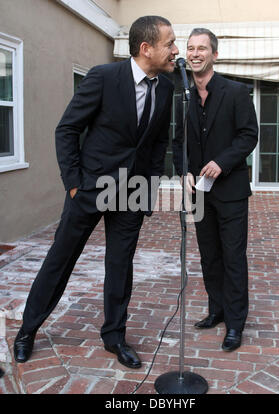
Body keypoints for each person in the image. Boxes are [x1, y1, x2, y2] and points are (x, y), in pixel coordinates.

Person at [14, 15, 179, 369]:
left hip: (131, 195)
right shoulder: (103, 78)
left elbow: (157, 143)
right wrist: (74, 184)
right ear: (145, 47)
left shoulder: (166, 88)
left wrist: (148, 190)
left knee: (120, 268)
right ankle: (28, 330)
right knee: (60, 261)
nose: (176, 50)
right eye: (170, 43)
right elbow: (67, 129)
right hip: (89, 190)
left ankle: (115, 337)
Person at [173, 28, 258, 351]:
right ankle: (216, 310)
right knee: (209, 256)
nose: (194, 54)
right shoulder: (183, 96)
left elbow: (249, 135)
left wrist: (222, 162)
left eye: (202, 49)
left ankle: (235, 324)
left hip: (232, 190)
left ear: (214, 55)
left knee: (233, 257)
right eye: (191, 48)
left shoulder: (236, 92)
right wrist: (183, 173)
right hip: (199, 193)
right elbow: (178, 141)